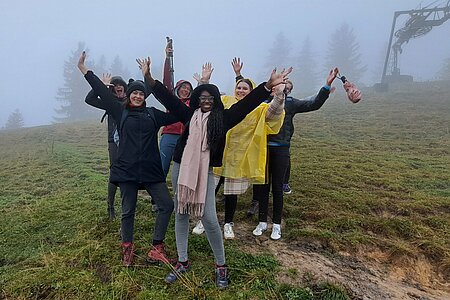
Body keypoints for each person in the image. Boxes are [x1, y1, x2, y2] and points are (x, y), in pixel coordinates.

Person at [139, 56, 291, 288]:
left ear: (216, 100)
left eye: (211, 98)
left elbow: (247, 104)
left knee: (208, 217)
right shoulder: (189, 115)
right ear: (197, 100)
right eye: (202, 98)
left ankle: (221, 264)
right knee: (181, 212)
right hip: (181, 167)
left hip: (207, 170)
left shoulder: (225, 118)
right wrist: (149, 77)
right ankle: (182, 261)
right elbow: (167, 97)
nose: (206, 101)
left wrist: (268, 86)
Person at [78, 51, 178, 267]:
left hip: (151, 169)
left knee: (167, 205)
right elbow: (100, 94)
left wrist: (151, 78)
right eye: (134, 93)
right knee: (128, 210)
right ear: (129, 95)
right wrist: (86, 71)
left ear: (144, 96)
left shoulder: (153, 114)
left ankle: (156, 248)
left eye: (141, 94)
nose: (137, 96)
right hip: (127, 169)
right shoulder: (119, 111)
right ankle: (127, 248)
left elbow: (178, 113)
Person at [252, 68, 339, 240]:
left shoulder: (290, 103)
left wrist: (327, 86)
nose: (280, 88)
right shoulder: (262, 102)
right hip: (263, 147)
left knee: (277, 187)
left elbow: (313, 104)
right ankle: (261, 222)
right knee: (262, 186)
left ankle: (276, 225)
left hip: (281, 148)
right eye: (277, 84)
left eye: (283, 85)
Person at [216, 57, 286, 240]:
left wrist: (279, 95)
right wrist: (204, 82)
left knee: (231, 192)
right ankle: (203, 219)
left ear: (251, 91)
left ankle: (228, 223)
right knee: (211, 187)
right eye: (238, 87)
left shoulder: (258, 109)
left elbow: (274, 113)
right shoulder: (224, 101)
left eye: (245, 88)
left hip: (240, 157)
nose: (240, 90)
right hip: (218, 153)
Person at [85, 74, 127, 220]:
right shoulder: (108, 102)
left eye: (120, 84)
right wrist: (100, 87)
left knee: (128, 170)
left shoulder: (131, 100)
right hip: (113, 140)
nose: (118, 86)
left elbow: (145, 91)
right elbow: (89, 99)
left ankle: (126, 203)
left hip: (130, 140)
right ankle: (110, 204)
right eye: (114, 85)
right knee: (115, 171)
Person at [159, 40, 193, 178]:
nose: (185, 90)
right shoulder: (171, 100)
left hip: (186, 137)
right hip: (169, 135)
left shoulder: (192, 103)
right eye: (183, 87)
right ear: (177, 89)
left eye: (188, 88)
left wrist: (203, 81)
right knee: (163, 166)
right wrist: (167, 58)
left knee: (183, 170)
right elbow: (167, 80)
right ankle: (157, 195)